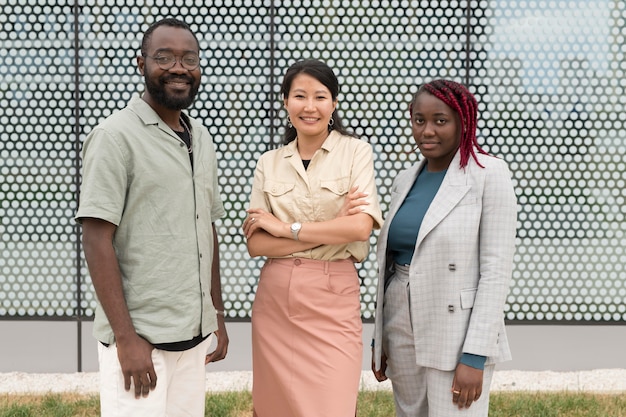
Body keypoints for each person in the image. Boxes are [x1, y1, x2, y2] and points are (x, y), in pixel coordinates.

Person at [75, 18, 228, 417]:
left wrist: (217, 317)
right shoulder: (114, 137)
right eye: (164, 57)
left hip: (193, 340)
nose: (179, 67)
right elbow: (96, 239)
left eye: (188, 58)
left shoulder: (202, 138)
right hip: (141, 344)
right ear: (141, 63)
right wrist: (126, 339)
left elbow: (205, 229)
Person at [242, 58, 384, 417]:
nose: (309, 106)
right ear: (285, 102)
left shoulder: (356, 152)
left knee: (332, 407)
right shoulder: (268, 163)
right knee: (275, 409)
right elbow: (256, 244)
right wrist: (330, 226)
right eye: (299, 96)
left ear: (333, 104)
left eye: (320, 97)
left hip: (333, 296)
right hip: (276, 300)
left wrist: (285, 228)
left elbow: (359, 228)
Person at [371, 79, 517, 416]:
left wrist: (475, 355)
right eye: (419, 120)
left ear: (463, 123)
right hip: (400, 319)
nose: (427, 131)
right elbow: (390, 263)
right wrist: (381, 338)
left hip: (455, 329)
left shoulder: (488, 174)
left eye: (440, 120)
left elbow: (495, 272)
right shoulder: (405, 178)